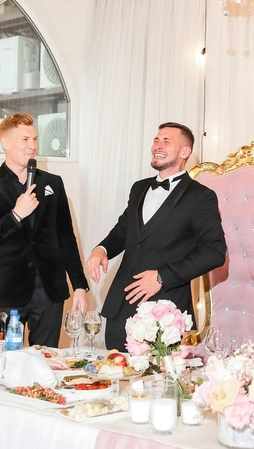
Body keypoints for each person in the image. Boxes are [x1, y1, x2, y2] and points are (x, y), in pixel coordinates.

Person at [86, 122, 227, 351]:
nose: (157, 146)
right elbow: (123, 230)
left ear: (185, 152)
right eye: (156, 140)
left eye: (166, 141)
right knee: (114, 370)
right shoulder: (139, 188)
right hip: (120, 311)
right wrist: (101, 250)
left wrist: (162, 277)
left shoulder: (201, 196)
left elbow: (214, 252)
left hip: (165, 318)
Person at [0, 113, 89, 347]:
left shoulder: (53, 183)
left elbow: (66, 238)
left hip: (50, 292)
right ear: (5, 143)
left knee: (46, 361)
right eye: (25, 139)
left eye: (34, 139)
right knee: (4, 360)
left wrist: (80, 285)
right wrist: (15, 215)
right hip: (7, 292)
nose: (32, 145)